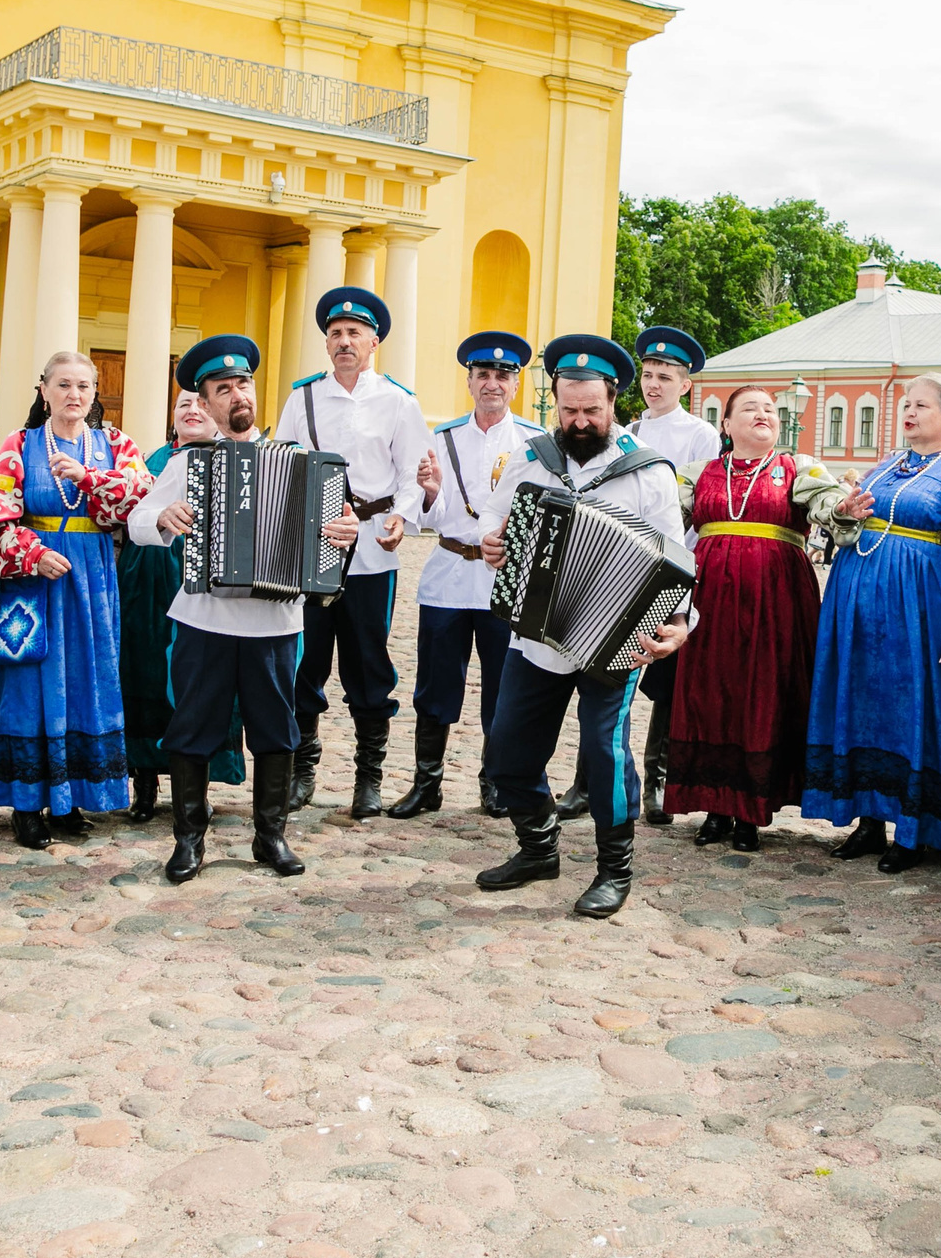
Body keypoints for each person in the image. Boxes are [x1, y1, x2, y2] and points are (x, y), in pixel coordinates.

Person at [474, 335, 692, 918]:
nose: (578, 421)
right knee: (508, 752)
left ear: (613, 399)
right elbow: (494, 513)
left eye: (591, 410)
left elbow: (678, 559)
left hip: (616, 637)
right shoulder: (531, 457)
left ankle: (613, 870)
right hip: (537, 630)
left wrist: (679, 627)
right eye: (568, 409)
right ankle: (537, 845)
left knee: (604, 752)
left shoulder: (648, 472)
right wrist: (491, 540)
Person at [135, 335, 359, 882]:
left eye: (242, 384)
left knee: (276, 730)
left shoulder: (304, 464)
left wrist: (344, 532)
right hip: (203, 620)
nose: (236, 395)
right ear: (206, 403)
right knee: (191, 729)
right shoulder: (189, 462)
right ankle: (188, 840)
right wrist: (164, 519)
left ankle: (271, 836)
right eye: (222, 388)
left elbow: (334, 535)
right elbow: (138, 522)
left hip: (275, 623)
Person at [801, 374, 941, 870]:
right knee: (863, 699)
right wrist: (845, 508)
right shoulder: (886, 464)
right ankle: (867, 822)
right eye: (906, 405)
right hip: (860, 599)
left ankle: (913, 831)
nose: (909, 413)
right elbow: (851, 519)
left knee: (913, 706)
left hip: (918, 603)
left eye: (921, 406)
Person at [276, 287, 436, 820]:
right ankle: (303, 768)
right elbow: (283, 466)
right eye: (336, 334)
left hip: (371, 549)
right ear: (327, 343)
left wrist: (400, 521)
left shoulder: (397, 400)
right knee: (306, 660)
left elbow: (415, 473)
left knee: (369, 663)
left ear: (373, 342)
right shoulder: (301, 399)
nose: (344, 342)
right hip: (312, 549)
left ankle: (369, 777)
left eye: (354, 334)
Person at [0, 351, 151, 845]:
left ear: (94, 393)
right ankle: (27, 802)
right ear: (45, 391)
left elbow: (141, 496)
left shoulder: (115, 443)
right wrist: (31, 554)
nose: (74, 394)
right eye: (63, 385)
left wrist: (88, 477)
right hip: (34, 579)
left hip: (92, 577)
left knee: (86, 677)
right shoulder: (20, 444)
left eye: (83, 386)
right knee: (30, 681)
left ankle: (72, 796)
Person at [667, 384, 843, 850]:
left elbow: (830, 507)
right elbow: (660, 522)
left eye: (769, 408)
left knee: (763, 694)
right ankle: (713, 806)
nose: (763, 414)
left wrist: (843, 509)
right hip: (707, 602)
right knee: (710, 694)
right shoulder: (697, 473)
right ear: (726, 425)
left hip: (777, 601)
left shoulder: (799, 469)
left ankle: (750, 811)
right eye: (749, 408)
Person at [394, 332, 543, 820]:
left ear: (516, 384)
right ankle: (427, 782)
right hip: (450, 574)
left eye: (503, 376)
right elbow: (426, 514)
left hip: (505, 581)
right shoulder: (442, 438)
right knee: (435, 687)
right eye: (484, 375)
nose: (493, 384)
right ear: (470, 382)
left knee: (503, 689)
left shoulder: (536, 444)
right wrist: (432, 493)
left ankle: (495, 781)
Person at [115, 384, 247, 826]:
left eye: (199, 404)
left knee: (199, 681)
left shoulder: (235, 460)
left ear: (216, 412)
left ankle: (197, 784)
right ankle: (145, 783)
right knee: (144, 674)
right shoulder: (146, 462)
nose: (191, 410)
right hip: (144, 581)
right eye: (182, 404)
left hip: (201, 581)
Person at [627, 326, 724, 827]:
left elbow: (695, 506)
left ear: (685, 385)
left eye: (665, 377)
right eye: (647, 375)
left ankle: (657, 779)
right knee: (611, 671)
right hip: (625, 567)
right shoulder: (630, 432)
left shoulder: (699, 435)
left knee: (667, 680)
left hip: (673, 568)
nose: (654, 385)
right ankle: (596, 778)